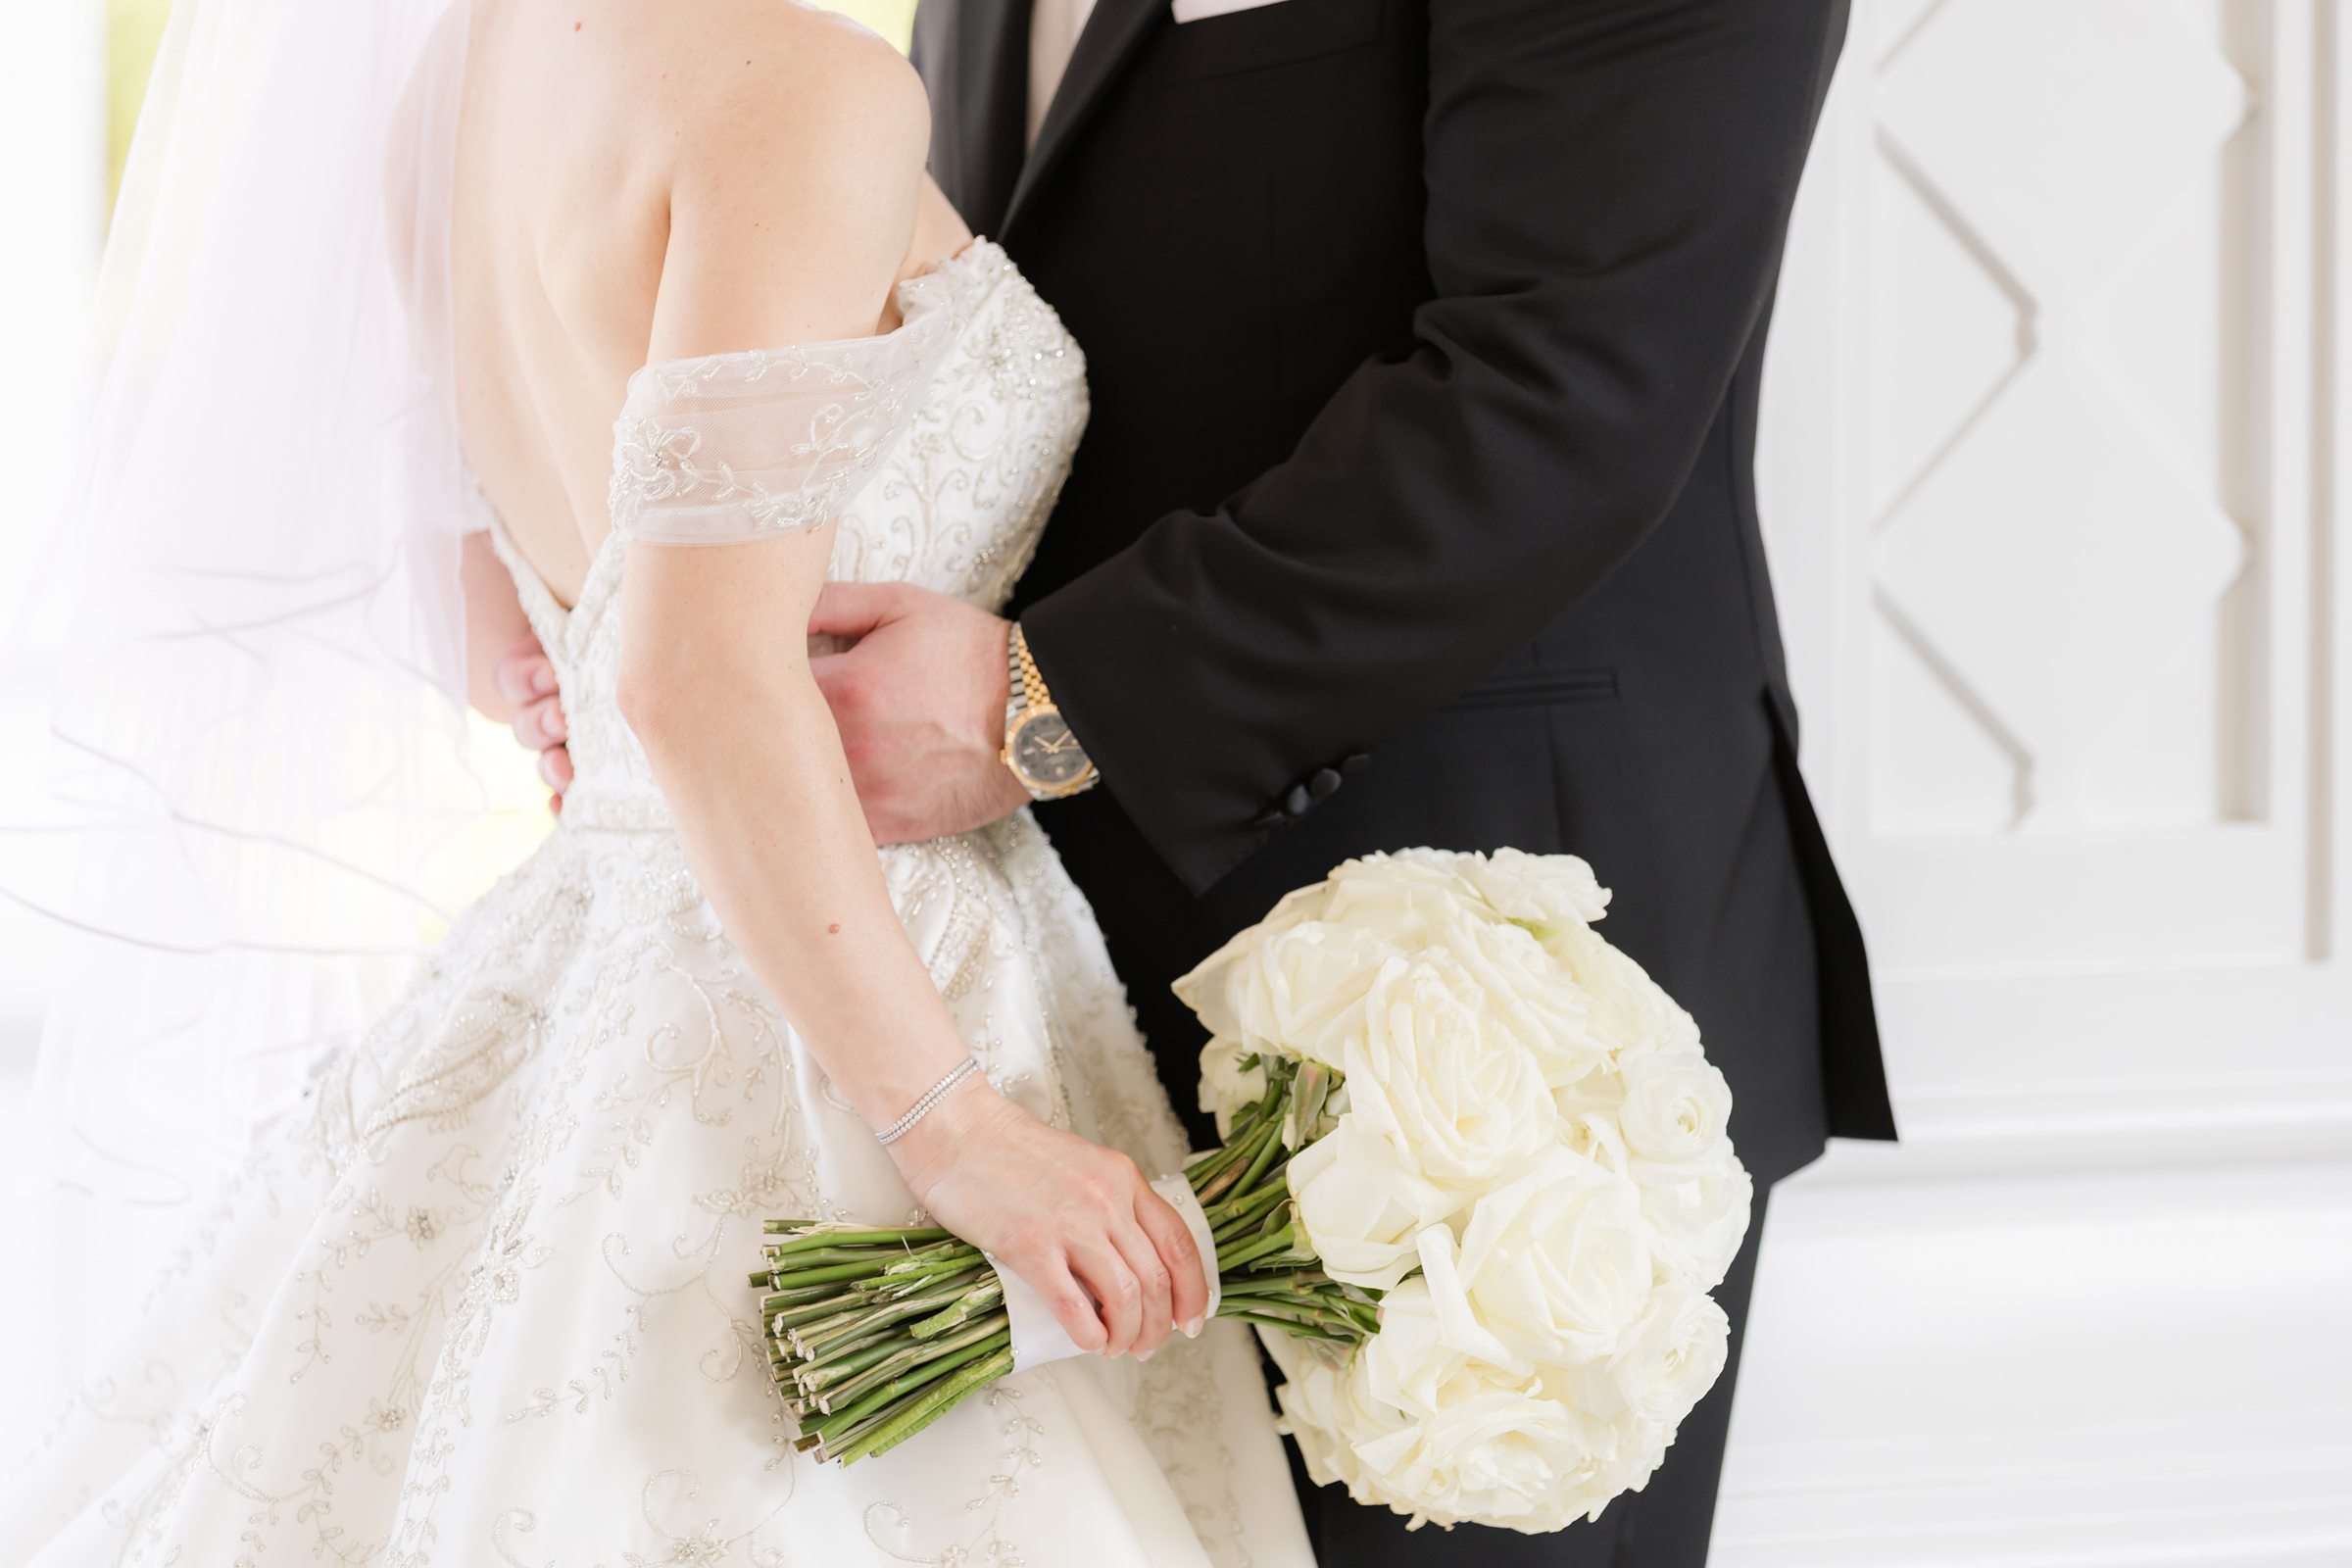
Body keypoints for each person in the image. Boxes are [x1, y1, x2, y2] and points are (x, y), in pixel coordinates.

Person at [511, 0, 1901, 1562]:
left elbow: (1562, 391)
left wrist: (1040, 707)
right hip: (992, 998)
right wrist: (681, 649)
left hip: (1457, 1021)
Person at [0, 0, 1311, 1561]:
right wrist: (959, 1129)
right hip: (853, 1007)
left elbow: (523, 599)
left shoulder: (462, 91)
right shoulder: (806, 92)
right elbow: (691, 672)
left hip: (600, 941)